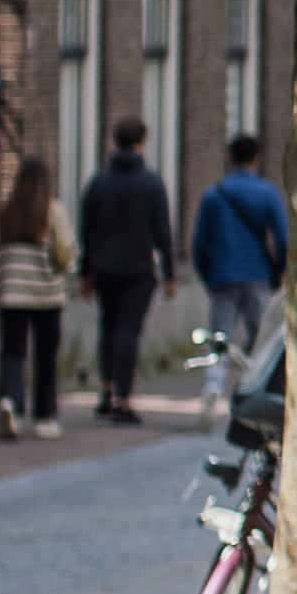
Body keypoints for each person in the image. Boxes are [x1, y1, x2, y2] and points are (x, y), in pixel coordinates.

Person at [78, 120, 176, 420]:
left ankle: (106, 390)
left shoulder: (99, 182)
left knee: (108, 327)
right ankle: (123, 399)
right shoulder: (151, 183)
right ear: (141, 143)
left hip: (104, 269)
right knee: (128, 331)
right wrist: (170, 273)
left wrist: (85, 272)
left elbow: (87, 230)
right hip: (137, 270)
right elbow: (162, 232)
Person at [190, 133, 292, 405]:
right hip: (257, 275)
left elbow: (199, 243)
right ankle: (253, 387)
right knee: (262, 336)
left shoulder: (214, 195)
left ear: (229, 157)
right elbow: (283, 238)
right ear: (256, 159)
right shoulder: (267, 193)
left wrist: (206, 275)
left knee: (219, 335)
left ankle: (213, 387)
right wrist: (281, 269)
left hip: (222, 276)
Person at [0, 156, 74, 441]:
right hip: (47, 295)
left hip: (12, 294)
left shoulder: (6, 213)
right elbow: (66, 252)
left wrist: (4, 282)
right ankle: (44, 416)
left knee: (12, 351)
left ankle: (9, 400)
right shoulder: (53, 211)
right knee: (45, 356)